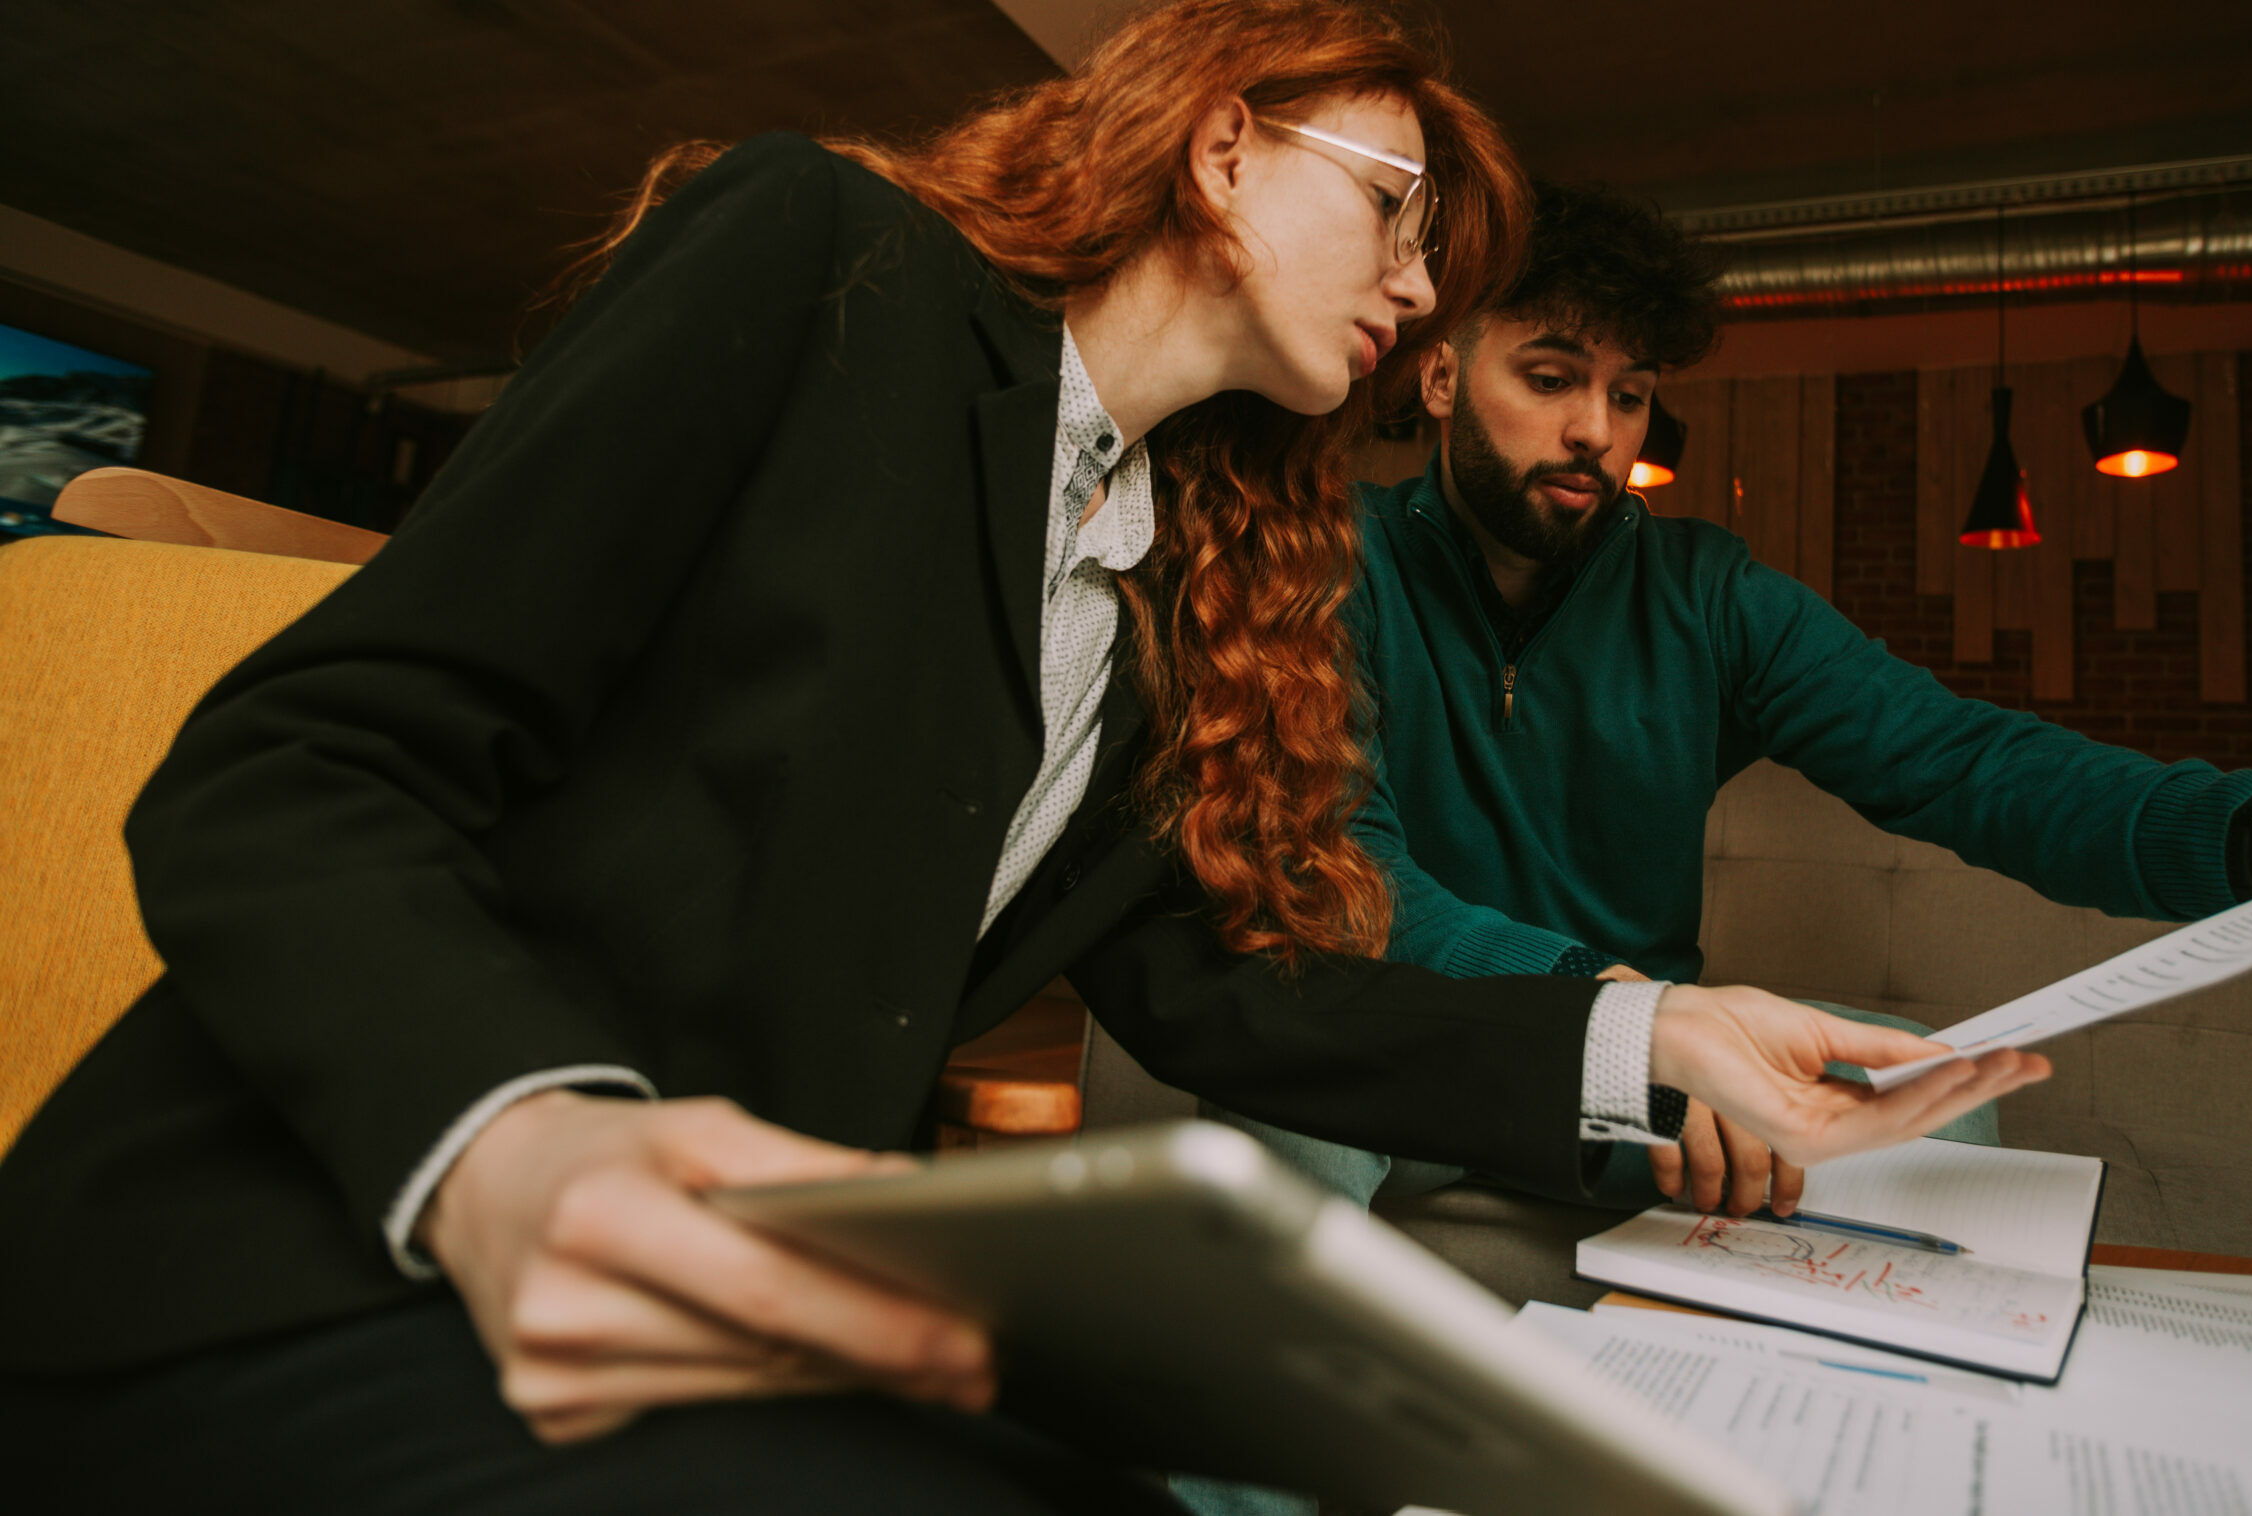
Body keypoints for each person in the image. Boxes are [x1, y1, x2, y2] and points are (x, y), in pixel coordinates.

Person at [0, 6, 2042, 1513]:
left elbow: (1232, 993)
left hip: (722, 1313)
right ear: (1225, 151)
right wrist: (519, 1136)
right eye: (1405, 214)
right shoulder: (822, 260)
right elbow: (298, 763)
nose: (1423, 291)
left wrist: (1646, 1032)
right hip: (308, 1257)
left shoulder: (1176, 594)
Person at [1226, 178, 2252, 1233]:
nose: (1598, 432)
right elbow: (1347, 866)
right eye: (1553, 378)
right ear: (1444, 377)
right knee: (1273, 1103)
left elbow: (1969, 765)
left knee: (1937, 1092)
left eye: (1629, 396)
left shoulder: (1708, 596)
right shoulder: (1329, 562)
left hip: (1665, 1084)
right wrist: (1628, 1015)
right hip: (1432, 1047)